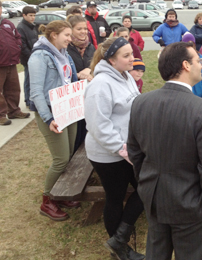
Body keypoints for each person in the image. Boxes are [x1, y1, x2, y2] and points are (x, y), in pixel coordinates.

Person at [127, 42, 202, 260]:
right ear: (185, 65)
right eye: (198, 60)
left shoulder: (141, 102)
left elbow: (135, 153)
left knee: (156, 253)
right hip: (192, 203)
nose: (201, 64)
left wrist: (147, 184)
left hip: (154, 197)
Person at [84, 37, 144, 260]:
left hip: (128, 148)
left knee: (145, 187)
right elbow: (98, 127)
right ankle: (120, 249)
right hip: (108, 154)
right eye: (126, 55)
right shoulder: (99, 86)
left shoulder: (125, 75)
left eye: (132, 54)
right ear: (111, 60)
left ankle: (119, 238)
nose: (132, 59)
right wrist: (122, 150)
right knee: (115, 197)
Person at [28, 20, 80, 221]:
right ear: (53, 35)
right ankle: (48, 199)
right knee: (60, 160)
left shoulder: (63, 54)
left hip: (66, 109)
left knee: (69, 154)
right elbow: (36, 93)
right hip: (51, 113)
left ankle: (61, 193)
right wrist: (48, 118)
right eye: (66, 35)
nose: (70, 38)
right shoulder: (39, 56)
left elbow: (68, 80)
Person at [66, 15, 95, 151]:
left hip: (87, 95)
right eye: (79, 29)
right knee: (75, 133)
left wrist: (90, 69)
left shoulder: (89, 46)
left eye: (85, 28)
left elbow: (96, 64)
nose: (83, 31)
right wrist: (77, 75)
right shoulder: (65, 48)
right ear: (70, 30)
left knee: (86, 128)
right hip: (71, 97)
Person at [0, 2, 30, 126]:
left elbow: (17, 37)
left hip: (11, 62)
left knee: (13, 89)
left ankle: (14, 111)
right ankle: (1, 115)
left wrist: (17, 47)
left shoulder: (8, 23)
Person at [17, 6, 39, 107]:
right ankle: (28, 100)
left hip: (35, 56)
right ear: (24, 15)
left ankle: (32, 99)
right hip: (28, 58)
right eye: (30, 15)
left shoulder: (33, 26)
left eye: (34, 15)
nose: (32, 18)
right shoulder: (21, 27)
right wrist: (31, 56)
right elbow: (22, 45)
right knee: (28, 79)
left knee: (34, 79)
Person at [182, 32, 202, 98]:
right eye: (187, 44)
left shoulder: (200, 57)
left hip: (198, 94)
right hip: (184, 94)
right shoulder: (180, 58)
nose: (190, 47)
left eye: (192, 44)